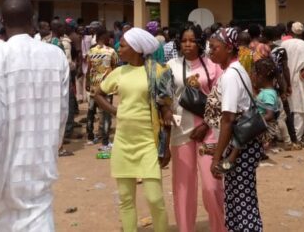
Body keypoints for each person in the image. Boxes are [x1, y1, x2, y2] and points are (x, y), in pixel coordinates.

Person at [0, 0, 69, 231]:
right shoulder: (56, 56)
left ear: (1, 20)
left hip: (4, 177)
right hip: (40, 171)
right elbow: (62, 116)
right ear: (32, 19)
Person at [93, 28, 171, 232]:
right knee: (126, 199)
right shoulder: (119, 72)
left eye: (124, 45)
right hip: (123, 141)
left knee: (155, 198)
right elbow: (98, 93)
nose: (119, 48)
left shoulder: (158, 71)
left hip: (148, 141)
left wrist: (166, 146)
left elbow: (166, 110)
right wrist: (115, 111)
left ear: (137, 49)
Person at [163, 24, 226, 232]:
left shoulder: (212, 65)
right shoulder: (170, 66)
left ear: (200, 42)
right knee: (183, 188)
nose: (187, 44)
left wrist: (206, 124)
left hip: (208, 133)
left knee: (212, 186)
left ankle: (219, 227)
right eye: (183, 40)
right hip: (181, 133)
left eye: (192, 40)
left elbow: (221, 99)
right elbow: (165, 98)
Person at [206, 27, 264, 232]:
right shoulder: (238, 69)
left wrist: (216, 158)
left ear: (228, 48)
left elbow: (228, 119)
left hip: (239, 149)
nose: (210, 51)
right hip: (245, 146)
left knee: (241, 203)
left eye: (214, 47)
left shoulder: (230, 76)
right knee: (240, 199)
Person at [86, 27, 119, 148]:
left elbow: (89, 69)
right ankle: (105, 141)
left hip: (94, 86)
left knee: (91, 112)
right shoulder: (111, 52)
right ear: (103, 37)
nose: (109, 38)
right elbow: (115, 68)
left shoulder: (91, 51)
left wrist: (87, 82)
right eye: (108, 36)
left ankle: (90, 137)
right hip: (106, 87)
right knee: (106, 113)